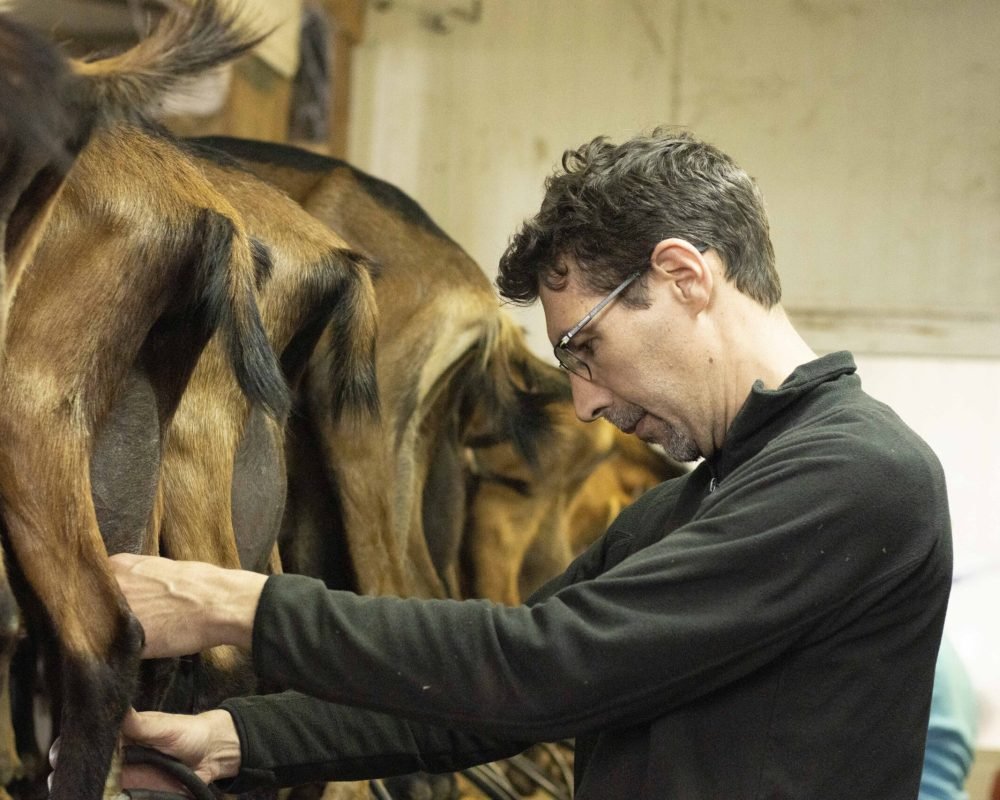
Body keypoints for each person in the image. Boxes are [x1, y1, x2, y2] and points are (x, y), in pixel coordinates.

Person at [101, 128, 952, 798]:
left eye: (585, 348)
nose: (584, 405)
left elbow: (542, 665)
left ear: (684, 276)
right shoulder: (681, 512)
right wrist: (242, 738)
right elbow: (482, 705)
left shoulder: (860, 476)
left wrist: (234, 605)